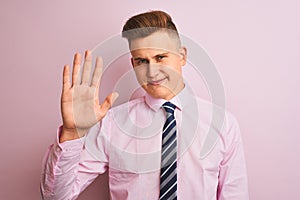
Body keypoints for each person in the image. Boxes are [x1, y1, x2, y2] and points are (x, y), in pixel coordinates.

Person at [40, 10, 249, 200]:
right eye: (141, 61)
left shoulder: (223, 124)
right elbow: (56, 197)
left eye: (160, 57)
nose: (151, 72)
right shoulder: (113, 123)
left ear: (182, 56)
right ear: (133, 63)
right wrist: (71, 133)